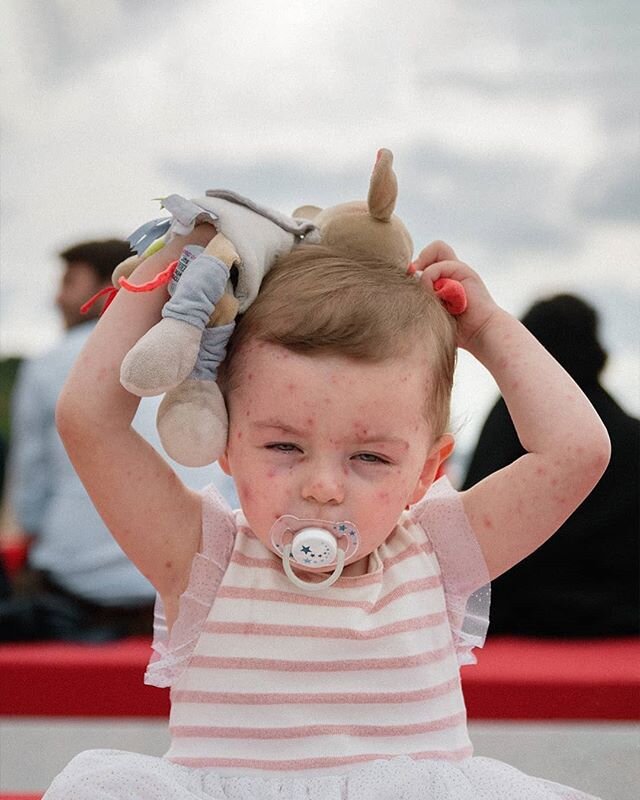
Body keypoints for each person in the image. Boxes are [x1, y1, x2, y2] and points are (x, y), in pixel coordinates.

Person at [46, 230, 610, 799]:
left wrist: (487, 330)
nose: (322, 487)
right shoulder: (202, 557)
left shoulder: (437, 553)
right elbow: (89, 420)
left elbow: (576, 451)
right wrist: (175, 268)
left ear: (426, 470)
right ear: (225, 438)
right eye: (284, 447)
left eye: (370, 457)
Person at [2, 239, 236, 642]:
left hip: (80, 590)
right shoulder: (212, 353)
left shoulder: (47, 366)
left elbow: (30, 500)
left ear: (107, 287)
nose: (57, 296)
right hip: (202, 577)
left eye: (70, 282)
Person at [462, 294, 639, 637]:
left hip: (515, 612)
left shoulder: (506, 422)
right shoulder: (632, 437)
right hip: (621, 613)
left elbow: (469, 520)